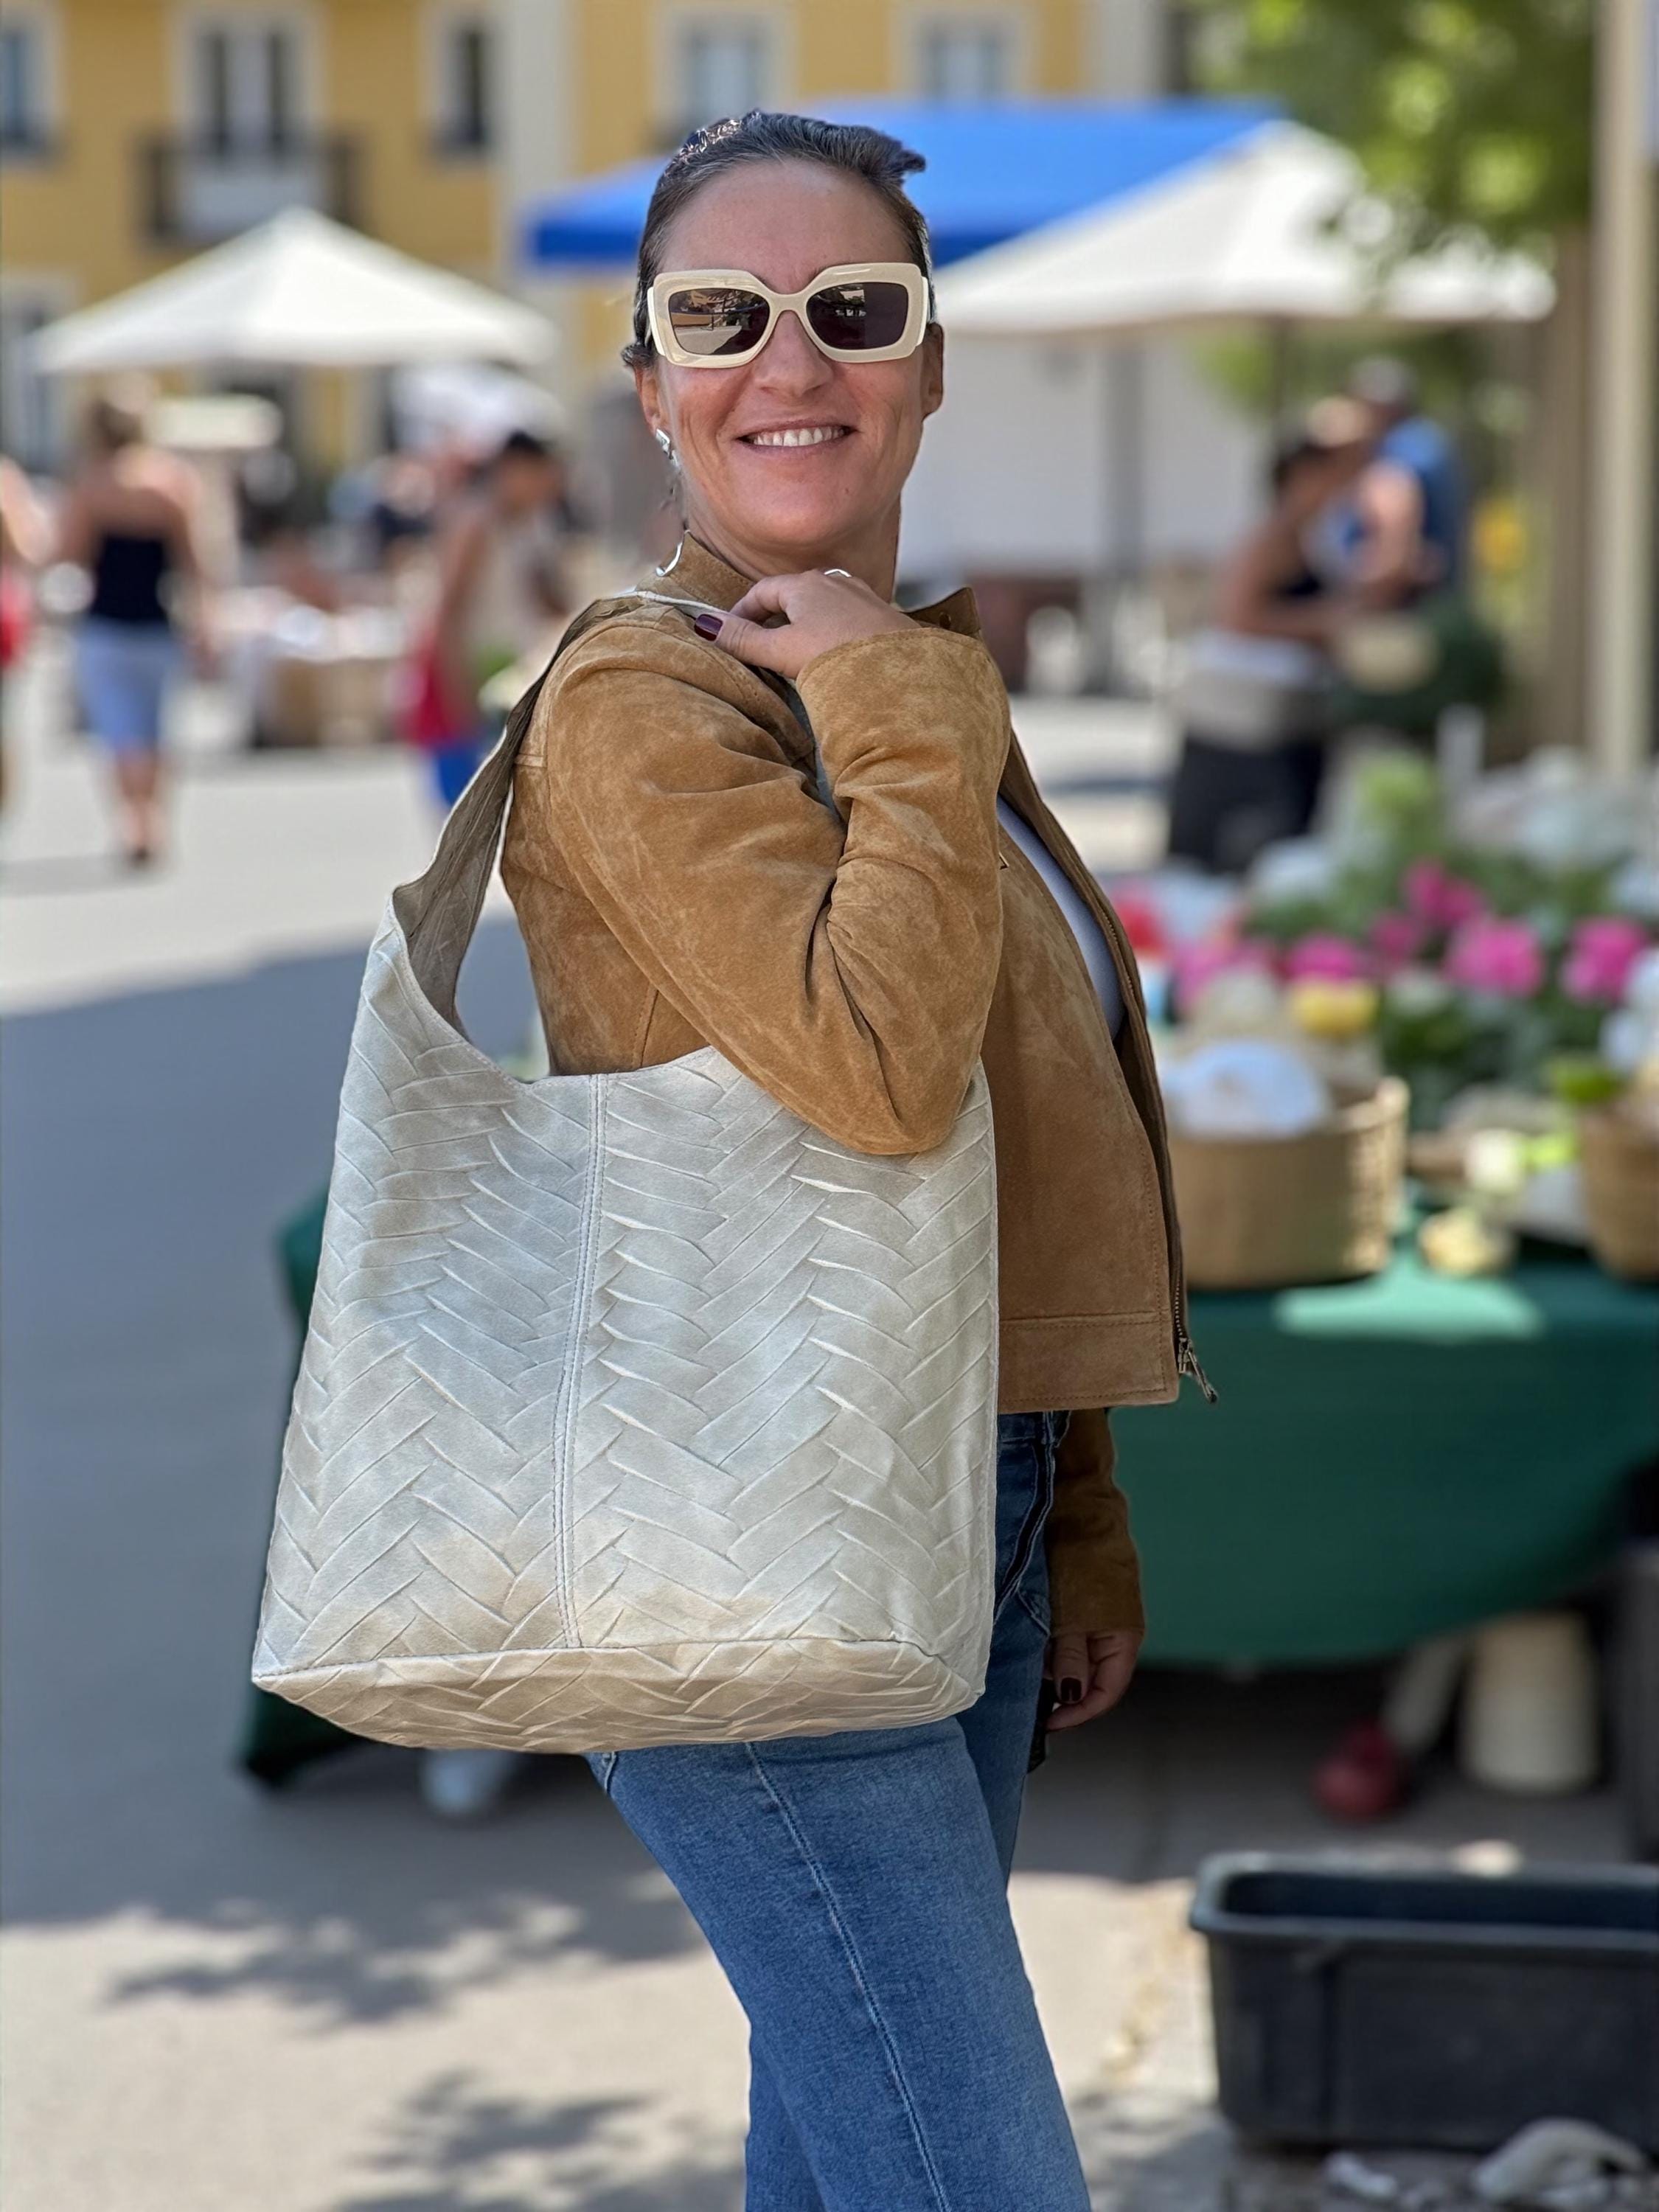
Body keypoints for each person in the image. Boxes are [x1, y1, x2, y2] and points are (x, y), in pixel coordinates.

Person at [497, 111, 1200, 2205]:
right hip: (749, 1555)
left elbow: (1017, 1129)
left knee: (842, 2163)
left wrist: (1074, 1501)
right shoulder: (659, 706)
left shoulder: (875, 672)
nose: (787, 362)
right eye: (719, 315)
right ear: (649, 383)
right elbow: (880, 1076)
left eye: (852, 310)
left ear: (929, 359)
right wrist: (911, 713)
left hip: (940, 1514)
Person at [1166, 410, 1374, 874]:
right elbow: (1238, 618)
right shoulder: (1270, 538)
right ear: (1301, 476)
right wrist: (1319, 624)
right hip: (1243, 729)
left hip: (1286, 723)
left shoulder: (1309, 536)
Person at [57, 385, 214, 866]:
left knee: (119, 730)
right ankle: (155, 817)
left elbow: (70, 556)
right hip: (157, 624)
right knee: (156, 729)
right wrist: (207, 621)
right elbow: (195, 563)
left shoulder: (89, 484)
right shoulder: (172, 482)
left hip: (104, 625)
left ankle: (134, 820)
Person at [410, 428, 572, 812]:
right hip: (467, 669)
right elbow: (449, 612)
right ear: (512, 471)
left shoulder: (533, 525)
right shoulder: (477, 524)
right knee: (467, 813)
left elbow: (553, 602)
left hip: (511, 668)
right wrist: (457, 701)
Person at [1340, 355, 1467, 602]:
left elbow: (1394, 556)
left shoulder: (1396, 453)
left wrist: (1346, 595)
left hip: (1408, 609)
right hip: (1444, 600)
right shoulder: (1429, 440)